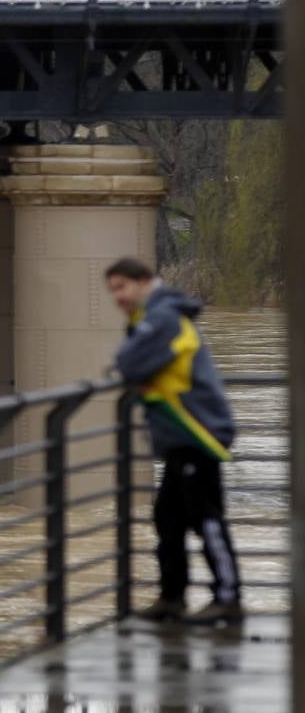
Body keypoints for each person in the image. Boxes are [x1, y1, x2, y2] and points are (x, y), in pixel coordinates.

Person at [106, 257, 243, 625]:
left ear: (143, 282)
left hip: (196, 431)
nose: (117, 297)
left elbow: (129, 364)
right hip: (181, 435)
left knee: (205, 517)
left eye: (121, 287)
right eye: (113, 290)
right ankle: (172, 597)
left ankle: (228, 598)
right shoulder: (155, 316)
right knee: (167, 516)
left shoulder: (161, 317)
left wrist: (133, 372)